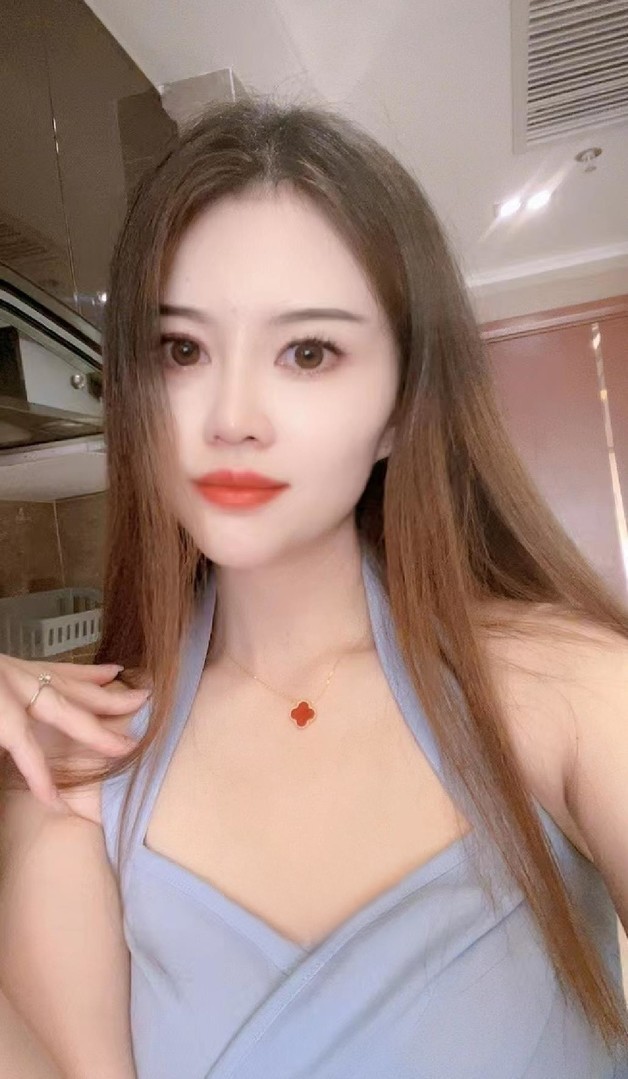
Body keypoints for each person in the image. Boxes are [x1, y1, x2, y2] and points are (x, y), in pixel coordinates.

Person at [0, 97, 627, 1079]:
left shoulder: (569, 691)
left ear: (399, 407)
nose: (232, 416)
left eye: (308, 351)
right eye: (181, 350)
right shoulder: (77, 779)